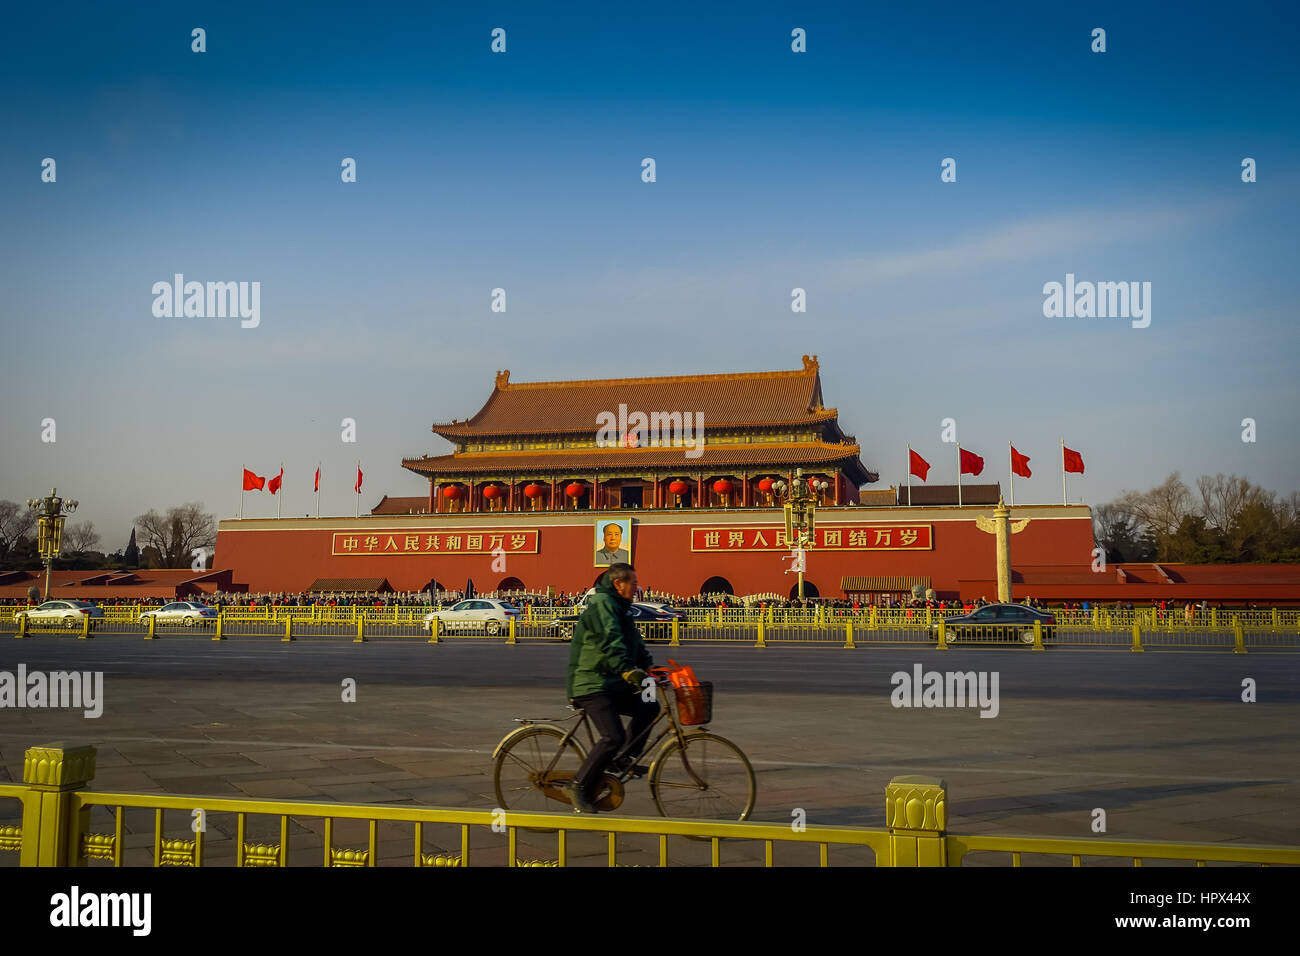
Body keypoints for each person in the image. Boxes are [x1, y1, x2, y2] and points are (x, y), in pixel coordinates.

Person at [565, 563, 656, 814]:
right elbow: (610, 640)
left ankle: (622, 758)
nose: (636, 588)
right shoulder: (604, 604)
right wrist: (626, 669)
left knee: (650, 704)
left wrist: (650, 667)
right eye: (633, 583)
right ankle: (577, 785)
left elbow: (634, 641)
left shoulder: (622, 608)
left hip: (612, 682)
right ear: (618, 584)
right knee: (612, 736)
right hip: (591, 682)